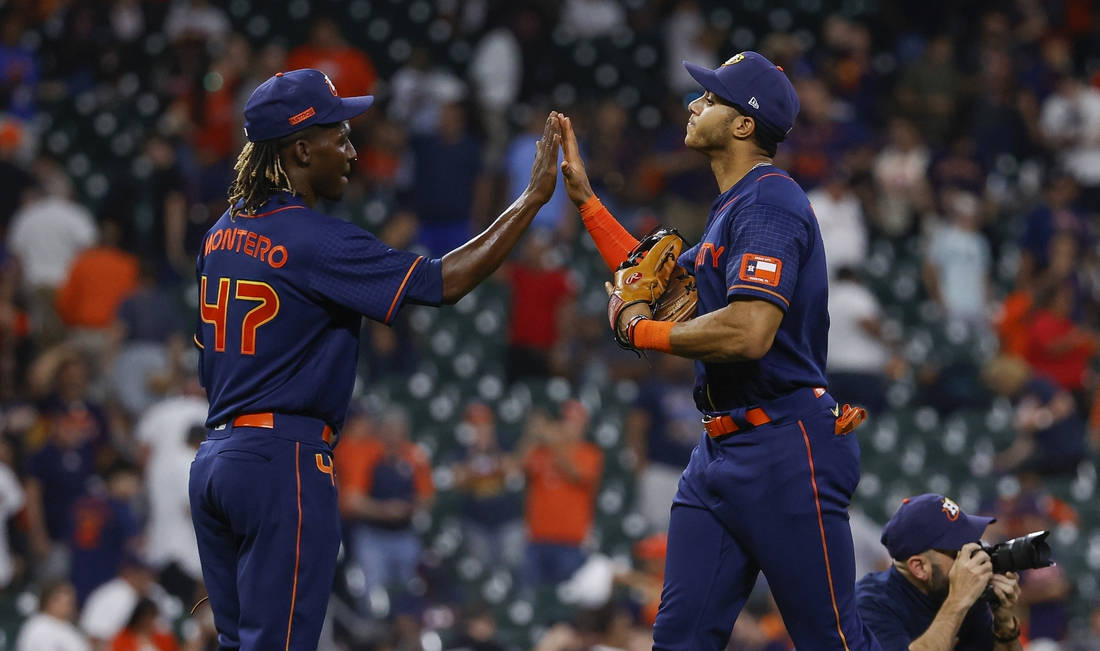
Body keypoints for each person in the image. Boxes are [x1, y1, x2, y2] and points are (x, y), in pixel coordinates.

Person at [189, 68, 560, 650]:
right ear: (302, 148)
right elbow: (445, 282)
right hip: (279, 460)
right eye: (340, 137)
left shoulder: (219, 234)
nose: (352, 151)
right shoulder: (316, 239)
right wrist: (532, 199)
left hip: (216, 458)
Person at [556, 51, 880, 649]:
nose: (693, 104)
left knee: (831, 642)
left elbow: (749, 330)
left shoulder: (770, 203)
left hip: (787, 445)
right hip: (721, 452)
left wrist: (642, 332)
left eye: (709, 98)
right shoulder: (735, 206)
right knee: (678, 640)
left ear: (741, 125)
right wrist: (588, 204)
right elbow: (655, 283)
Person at [855, 494, 1023, 650]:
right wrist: (957, 602)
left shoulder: (961, 594)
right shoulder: (868, 606)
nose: (970, 560)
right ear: (919, 567)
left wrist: (1005, 625)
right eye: (959, 552)